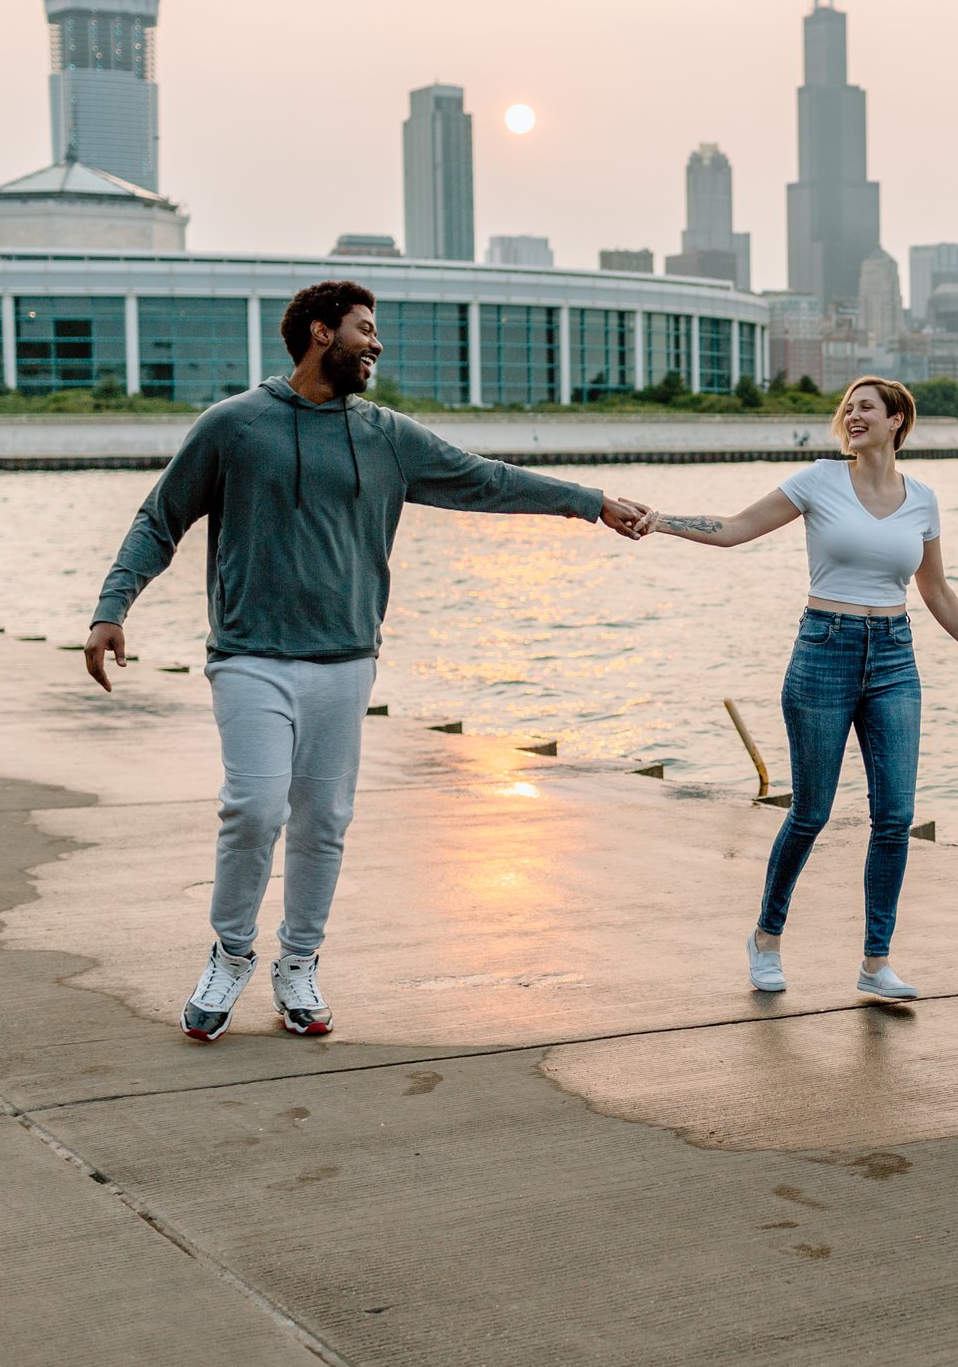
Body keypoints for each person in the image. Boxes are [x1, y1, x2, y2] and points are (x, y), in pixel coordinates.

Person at [83, 281, 652, 1043]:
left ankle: (299, 963)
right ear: (321, 333)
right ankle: (229, 951)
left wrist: (590, 500)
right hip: (250, 654)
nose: (376, 344)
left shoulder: (387, 435)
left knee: (325, 821)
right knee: (253, 808)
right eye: (365, 329)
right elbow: (161, 518)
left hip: (346, 659)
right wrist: (111, 608)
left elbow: (488, 481)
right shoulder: (233, 426)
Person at [646, 376, 958, 1000]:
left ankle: (876, 961)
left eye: (866, 408)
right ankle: (766, 938)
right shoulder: (818, 480)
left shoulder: (922, 498)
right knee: (811, 812)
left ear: (897, 420)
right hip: (824, 652)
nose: (852, 415)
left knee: (894, 818)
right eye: (848, 408)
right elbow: (735, 528)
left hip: (895, 659)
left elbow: (935, 590)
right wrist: (662, 521)